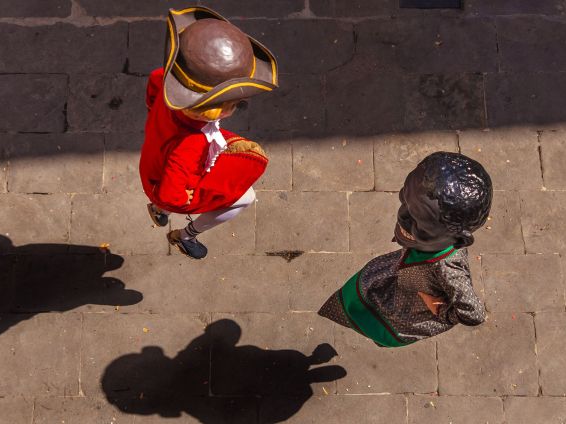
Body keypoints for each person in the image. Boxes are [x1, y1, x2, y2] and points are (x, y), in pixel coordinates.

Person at [139, 6, 278, 259]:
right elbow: (172, 195)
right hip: (165, 184)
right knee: (245, 198)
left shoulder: (165, 83)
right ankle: (186, 235)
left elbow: (153, 87)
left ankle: (159, 211)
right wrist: (186, 196)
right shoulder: (191, 145)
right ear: (215, 111)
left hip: (153, 161)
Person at [319, 152, 493, 347]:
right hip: (396, 277)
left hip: (403, 309)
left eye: (421, 223)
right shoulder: (428, 242)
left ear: (460, 239)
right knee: (357, 298)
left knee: (367, 314)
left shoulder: (449, 270)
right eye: (404, 201)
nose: (402, 217)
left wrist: (440, 310)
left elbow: (474, 314)